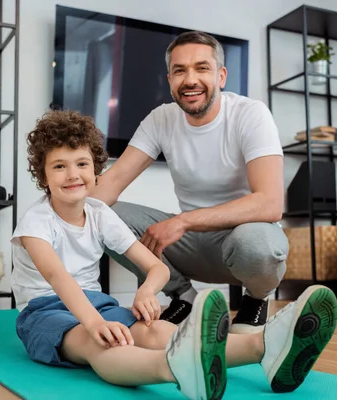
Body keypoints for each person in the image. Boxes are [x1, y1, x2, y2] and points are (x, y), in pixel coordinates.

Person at [10, 109, 337, 399]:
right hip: (44, 311)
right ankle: (175, 368)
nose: (72, 175)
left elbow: (157, 267)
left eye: (81, 163)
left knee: (152, 330)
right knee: (101, 343)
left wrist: (147, 291)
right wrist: (95, 322)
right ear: (43, 176)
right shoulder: (36, 222)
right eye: (59, 166)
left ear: (96, 168)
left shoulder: (99, 213)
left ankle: (263, 346)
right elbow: (58, 278)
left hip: (98, 303)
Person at [90, 30, 288, 334]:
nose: (190, 79)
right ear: (169, 80)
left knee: (258, 244)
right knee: (99, 214)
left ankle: (256, 300)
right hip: (192, 247)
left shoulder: (251, 114)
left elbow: (271, 203)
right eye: (179, 70)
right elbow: (112, 181)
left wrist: (182, 221)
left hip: (243, 242)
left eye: (202, 68)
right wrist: (54, 216)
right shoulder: (161, 119)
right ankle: (184, 299)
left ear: (221, 76)